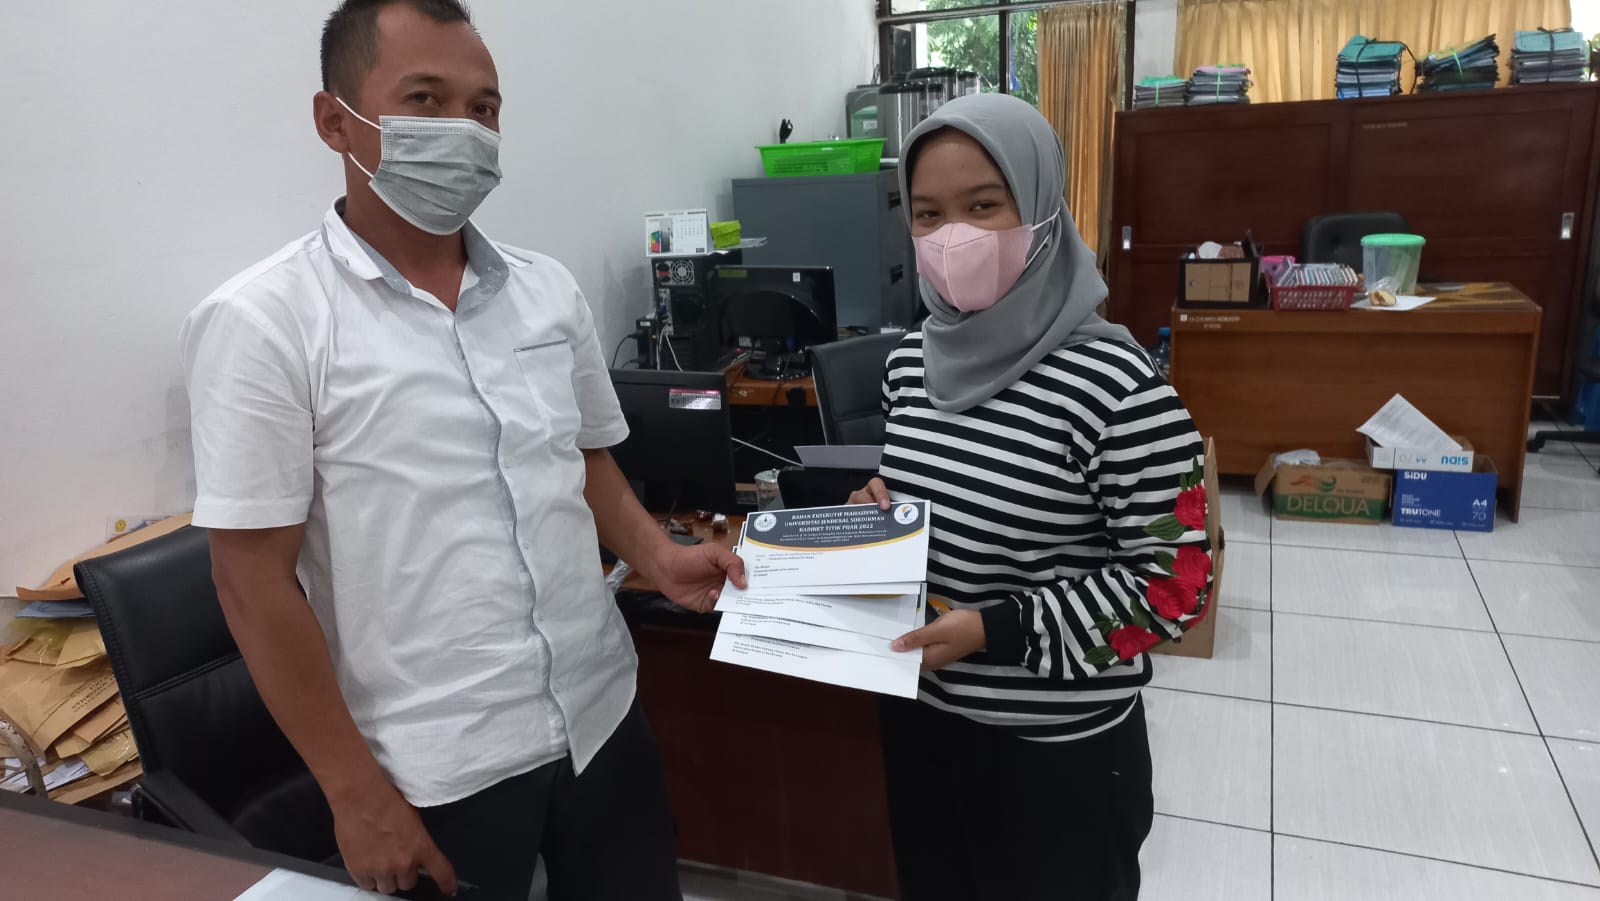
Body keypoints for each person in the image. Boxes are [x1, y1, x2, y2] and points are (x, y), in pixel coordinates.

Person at [179, 2, 744, 898]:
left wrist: (658, 553)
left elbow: (580, 458)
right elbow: (250, 582)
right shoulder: (265, 322)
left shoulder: (545, 290)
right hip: (436, 766)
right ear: (335, 121)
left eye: (483, 108)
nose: (464, 130)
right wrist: (353, 794)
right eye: (425, 100)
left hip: (600, 712)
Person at [849, 93, 1212, 901]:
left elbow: (1177, 588)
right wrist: (879, 511)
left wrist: (997, 628)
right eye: (929, 214)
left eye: (984, 205)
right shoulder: (910, 362)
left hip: (1057, 755)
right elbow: (939, 489)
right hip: (924, 723)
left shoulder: (1118, 386)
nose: (954, 236)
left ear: (1042, 209)